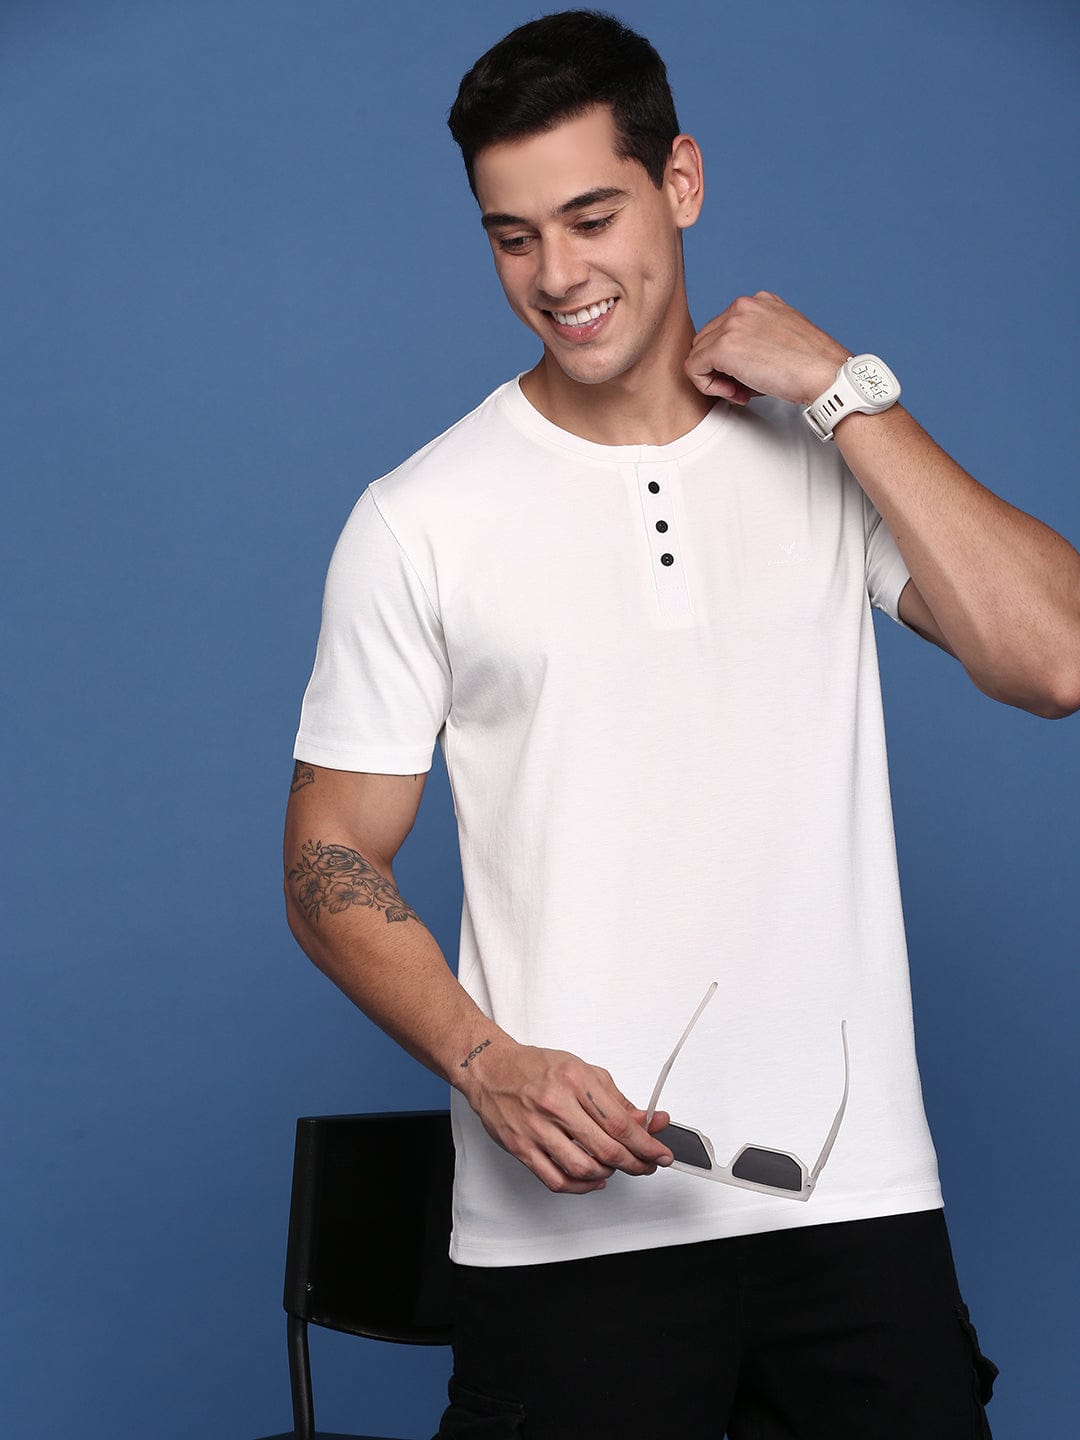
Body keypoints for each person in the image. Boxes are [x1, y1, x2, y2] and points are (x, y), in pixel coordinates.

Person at [284, 12, 1080, 1437]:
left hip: (856, 1210)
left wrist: (843, 392)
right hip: (569, 1237)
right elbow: (326, 853)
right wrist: (482, 1057)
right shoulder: (419, 520)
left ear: (683, 181)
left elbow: (1054, 658)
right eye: (514, 237)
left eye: (592, 217)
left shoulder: (827, 462)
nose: (557, 275)